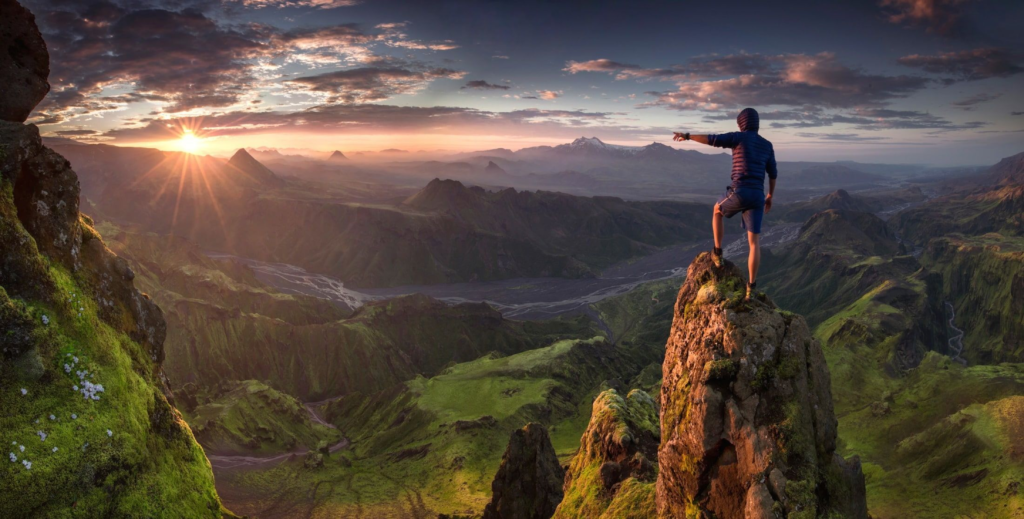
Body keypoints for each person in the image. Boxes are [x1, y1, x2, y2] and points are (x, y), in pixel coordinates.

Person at [673, 107, 777, 300]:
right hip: (757, 195)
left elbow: (711, 139)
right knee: (754, 243)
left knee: (717, 210)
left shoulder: (738, 137)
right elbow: (773, 173)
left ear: (742, 123)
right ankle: (751, 287)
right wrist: (769, 196)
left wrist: (687, 135)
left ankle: (718, 253)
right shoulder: (767, 145)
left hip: (740, 191)